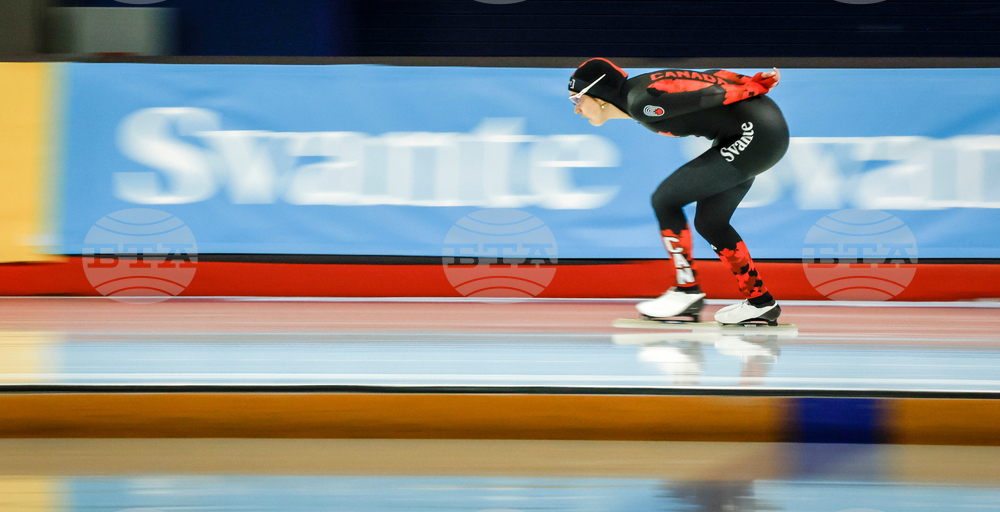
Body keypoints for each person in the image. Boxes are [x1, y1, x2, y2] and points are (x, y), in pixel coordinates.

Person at [568, 58, 788, 325]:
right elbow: (707, 77)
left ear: (599, 95)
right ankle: (761, 303)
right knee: (711, 222)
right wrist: (746, 79)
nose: (577, 110)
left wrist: (751, 86)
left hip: (756, 134)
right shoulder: (639, 92)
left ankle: (687, 291)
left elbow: (711, 93)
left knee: (665, 200)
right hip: (752, 132)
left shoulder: (643, 105)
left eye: (577, 99)